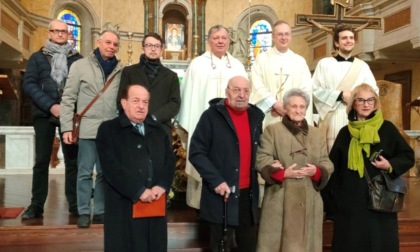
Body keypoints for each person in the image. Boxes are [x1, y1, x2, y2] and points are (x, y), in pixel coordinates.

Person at [327, 83, 414, 252]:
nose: (366, 104)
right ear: (353, 104)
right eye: (361, 100)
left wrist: (389, 165)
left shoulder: (387, 129)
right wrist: (331, 204)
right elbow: (334, 168)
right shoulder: (345, 133)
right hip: (350, 204)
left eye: (370, 100)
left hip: (379, 202)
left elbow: (407, 156)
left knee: (378, 244)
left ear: (375, 104)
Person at [96, 84, 175, 252]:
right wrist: (138, 191)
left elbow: (170, 161)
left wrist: (162, 185)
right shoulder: (108, 130)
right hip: (123, 207)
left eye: (145, 102)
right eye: (136, 101)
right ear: (124, 103)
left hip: (155, 203)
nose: (141, 106)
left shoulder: (158, 130)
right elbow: (111, 167)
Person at [189, 76, 264, 252]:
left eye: (246, 91)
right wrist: (216, 181)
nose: (241, 95)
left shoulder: (256, 116)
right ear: (227, 92)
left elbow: (260, 149)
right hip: (222, 195)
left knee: (248, 246)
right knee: (222, 247)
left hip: (248, 196)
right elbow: (196, 152)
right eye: (236, 90)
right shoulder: (211, 116)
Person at [177, 24, 248, 209]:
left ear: (229, 41)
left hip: (232, 127)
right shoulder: (197, 65)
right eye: (216, 37)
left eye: (224, 37)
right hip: (205, 127)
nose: (220, 41)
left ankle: (231, 203)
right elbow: (188, 97)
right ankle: (201, 208)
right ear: (209, 41)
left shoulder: (238, 66)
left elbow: (246, 97)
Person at [256, 88, 333, 252]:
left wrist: (317, 172)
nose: (298, 110)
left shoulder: (316, 134)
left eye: (302, 107)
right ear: (285, 108)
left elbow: (326, 162)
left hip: (310, 199)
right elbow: (262, 158)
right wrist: (283, 173)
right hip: (281, 197)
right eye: (294, 106)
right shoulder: (272, 130)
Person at [60, 30, 123, 228]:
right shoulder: (80, 66)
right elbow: (68, 98)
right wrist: (66, 128)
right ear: (98, 42)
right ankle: (84, 211)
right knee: (85, 172)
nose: (111, 47)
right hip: (87, 128)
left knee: (106, 173)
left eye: (115, 44)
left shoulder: (122, 69)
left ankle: (101, 211)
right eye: (108, 42)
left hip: (111, 130)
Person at [21, 19, 82, 219]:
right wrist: (50, 105)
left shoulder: (77, 59)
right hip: (44, 114)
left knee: (73, 161)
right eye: (56, 31)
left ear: (68, 34)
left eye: (63, 31)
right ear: (49, 33)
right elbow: (29, 85)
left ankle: (75, 204)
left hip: (70, 116)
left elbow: (83, 87)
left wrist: (67, 108)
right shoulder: (37, 58)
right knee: (41, 161)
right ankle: (37, 205)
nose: (59, 34)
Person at [312, 24, 378, 152]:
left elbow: (374, 91)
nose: (349, 41)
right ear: (336, 43)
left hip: (357, 117)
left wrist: (355, 99)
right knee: (335, 154)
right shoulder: (325, 64)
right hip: (333, 116)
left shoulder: (363, 66)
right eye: (344, 38)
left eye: (351, 38)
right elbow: (314, 89)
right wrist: (340, 95)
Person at [117, 32, 181, 139]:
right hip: (133, 128)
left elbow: (175, 103)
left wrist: (154, 117)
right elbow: (121, 100)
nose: (153, 49)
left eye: (156, 46)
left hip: (161, 128)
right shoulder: (129, 72)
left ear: (161, 49)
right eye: (149, 45)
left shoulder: (171, 76)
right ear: (143, 48)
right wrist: (135, 118)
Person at [251, 20, 313, 128]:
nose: (283, 37)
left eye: (286, 34)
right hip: (269, 115)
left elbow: (305, 89)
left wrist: (290, 109)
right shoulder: (262, 59)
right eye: (280, 34)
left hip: (293, 116)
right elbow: (256, 85)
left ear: (291, 37)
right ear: (273, 37)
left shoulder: (299, 61)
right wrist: (273, 104)